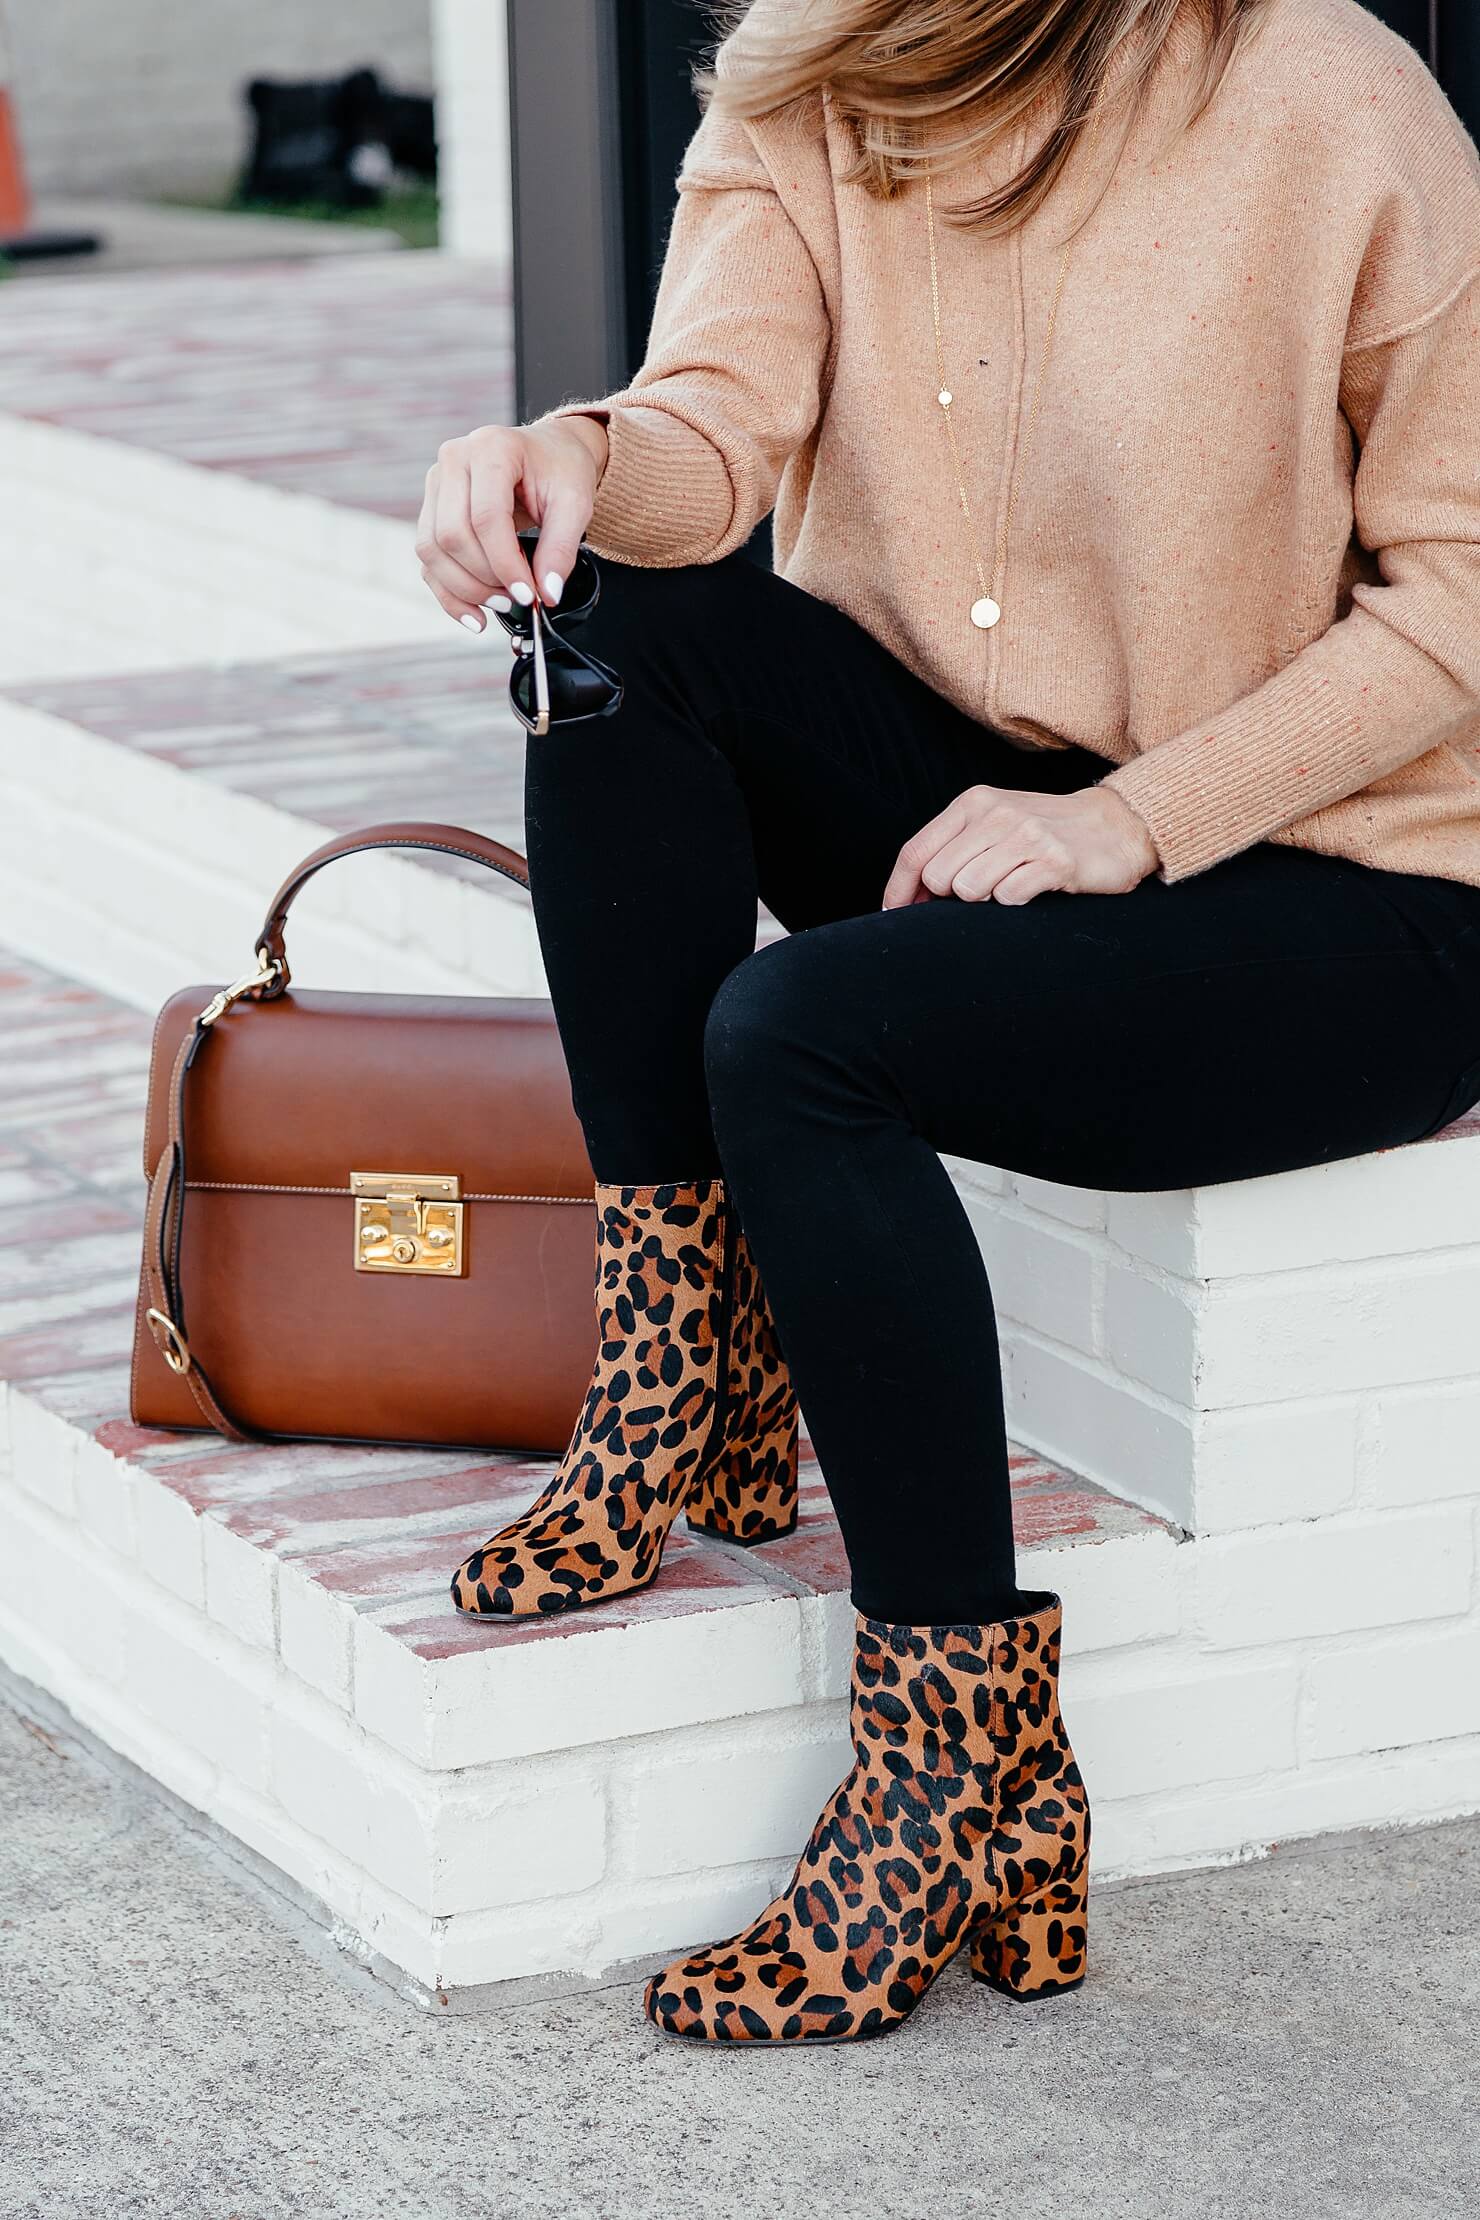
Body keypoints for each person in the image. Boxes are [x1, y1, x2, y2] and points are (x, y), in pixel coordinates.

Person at [417, 0, 1480, 2045]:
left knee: (798, 1036)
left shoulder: (1320, 93)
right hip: (992, 801)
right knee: (619, 617)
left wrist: (1129, 826)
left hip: (1353, 893)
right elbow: (711, 445)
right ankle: (679, 1382)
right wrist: (568, 456)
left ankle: (957, 1761)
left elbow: (1461, 590)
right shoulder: (807, 68)